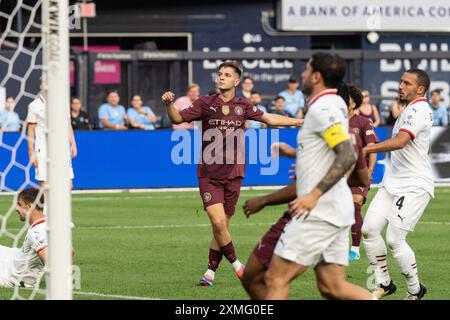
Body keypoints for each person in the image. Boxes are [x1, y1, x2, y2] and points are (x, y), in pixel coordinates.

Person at [162, 60, 302, 287]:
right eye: (219, 74)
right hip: (209, 173)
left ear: (236, 81)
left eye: (227, 75)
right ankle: (239, 267)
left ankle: (210, 272)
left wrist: (301, 121)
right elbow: (177, 118)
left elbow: (269, 118)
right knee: (218, 223)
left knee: (222, 227)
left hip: (235, 173)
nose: (221, 77)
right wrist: (169, 104)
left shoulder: (244, 105)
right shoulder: (205, 103)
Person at [263, 52, 373, 300]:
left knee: (274, 278)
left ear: (316, 76)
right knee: (332, 287)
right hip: (337, 209)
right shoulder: (331, 105)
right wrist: (294, 153)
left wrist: (313, 194)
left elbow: (346, 155)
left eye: (306, 69)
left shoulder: (324, 108)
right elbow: (330, 149)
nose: (302, 74)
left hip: (320, 211)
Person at [362, 69, 434, 300]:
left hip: (414, 185)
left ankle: (415, 288)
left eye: (406, 83)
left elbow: (402, 141)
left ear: (420, 89)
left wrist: (365, 148)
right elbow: (422, 145)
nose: (400, 86)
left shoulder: (420, 109)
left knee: (394, 239)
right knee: (369, 229)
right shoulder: (411, 109)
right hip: (393, 182)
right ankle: (384, 283)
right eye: (401, 81)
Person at [345, 85, 379, 261]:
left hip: (359, 173)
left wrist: (371, 168)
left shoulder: (364, 122)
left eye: (347, 97)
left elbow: (372, 148)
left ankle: (355, 249)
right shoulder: (334, 122)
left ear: (353, 103)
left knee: (355, 204)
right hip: (339, 173)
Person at [27, 82, 77, 188]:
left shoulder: (62, 102)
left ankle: (62, 205)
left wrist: (73, 144)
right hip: (43, 148)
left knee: (68, 183)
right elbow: (31, 130)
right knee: (44, 183)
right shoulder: (34, 105)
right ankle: (46, 205)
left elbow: (67, 124)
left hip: (61, 147)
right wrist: (31, 153)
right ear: (40, 85)